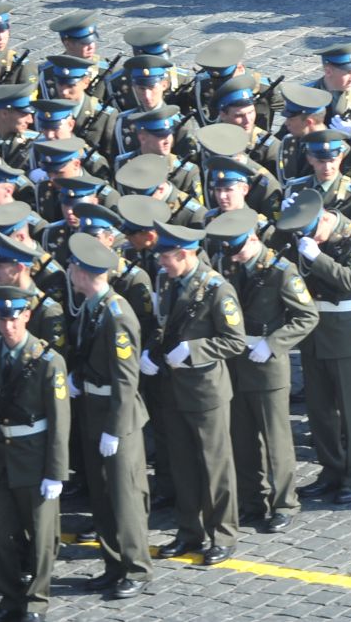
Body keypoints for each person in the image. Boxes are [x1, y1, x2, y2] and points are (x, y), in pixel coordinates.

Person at [209, 208, 317, 535]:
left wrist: (274, 343)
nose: (236, 257)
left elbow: (307, 316)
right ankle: (253, 501)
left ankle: (285, 503)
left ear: (254, 239)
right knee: (242, 439)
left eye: (240, 249)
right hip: (237, 361)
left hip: (268, 364)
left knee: (276, 441)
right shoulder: (230, 264)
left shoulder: (282, 271)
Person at [148, 220, 245, 564]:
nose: (161, 263)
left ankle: (224, 534)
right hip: (173, 387)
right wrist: (152, 351)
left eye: (167, 258)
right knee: (183, 465)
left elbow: (235, 340)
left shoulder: (217, 289)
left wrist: (194, 350)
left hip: (206, 392)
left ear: (185, 254)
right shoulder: (168, 281)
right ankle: (188, 531)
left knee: (214, 466)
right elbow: (163, 324)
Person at [64, 231, 152, 600]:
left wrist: (114, 428)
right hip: (94, 405)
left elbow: (126, 378)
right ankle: (113, 563)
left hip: (118, 414)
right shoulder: (91, 306)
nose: (69, 270)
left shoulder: (116, 314)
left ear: (84, 273)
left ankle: (137, 568)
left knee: (124, 494)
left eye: (73, 266)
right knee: (101, 494)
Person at [274, 186, 351, 504]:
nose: (309, 240)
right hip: (313, 332)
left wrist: (317, 258)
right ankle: (331, 470)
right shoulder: (302, 237)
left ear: (324, 219)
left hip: (345, 333)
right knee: (320, 410)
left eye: (312, 232)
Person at [0, 284, 69, 621]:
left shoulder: (48, 361)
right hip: (2, 459)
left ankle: (37, 601)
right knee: (3, 534)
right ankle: (10, 596)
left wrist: (56, 471)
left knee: (41, 537)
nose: (8, 325)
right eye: (1, 318)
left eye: (14, 318)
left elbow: (59, 422)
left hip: (34, 456)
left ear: (26, 316)